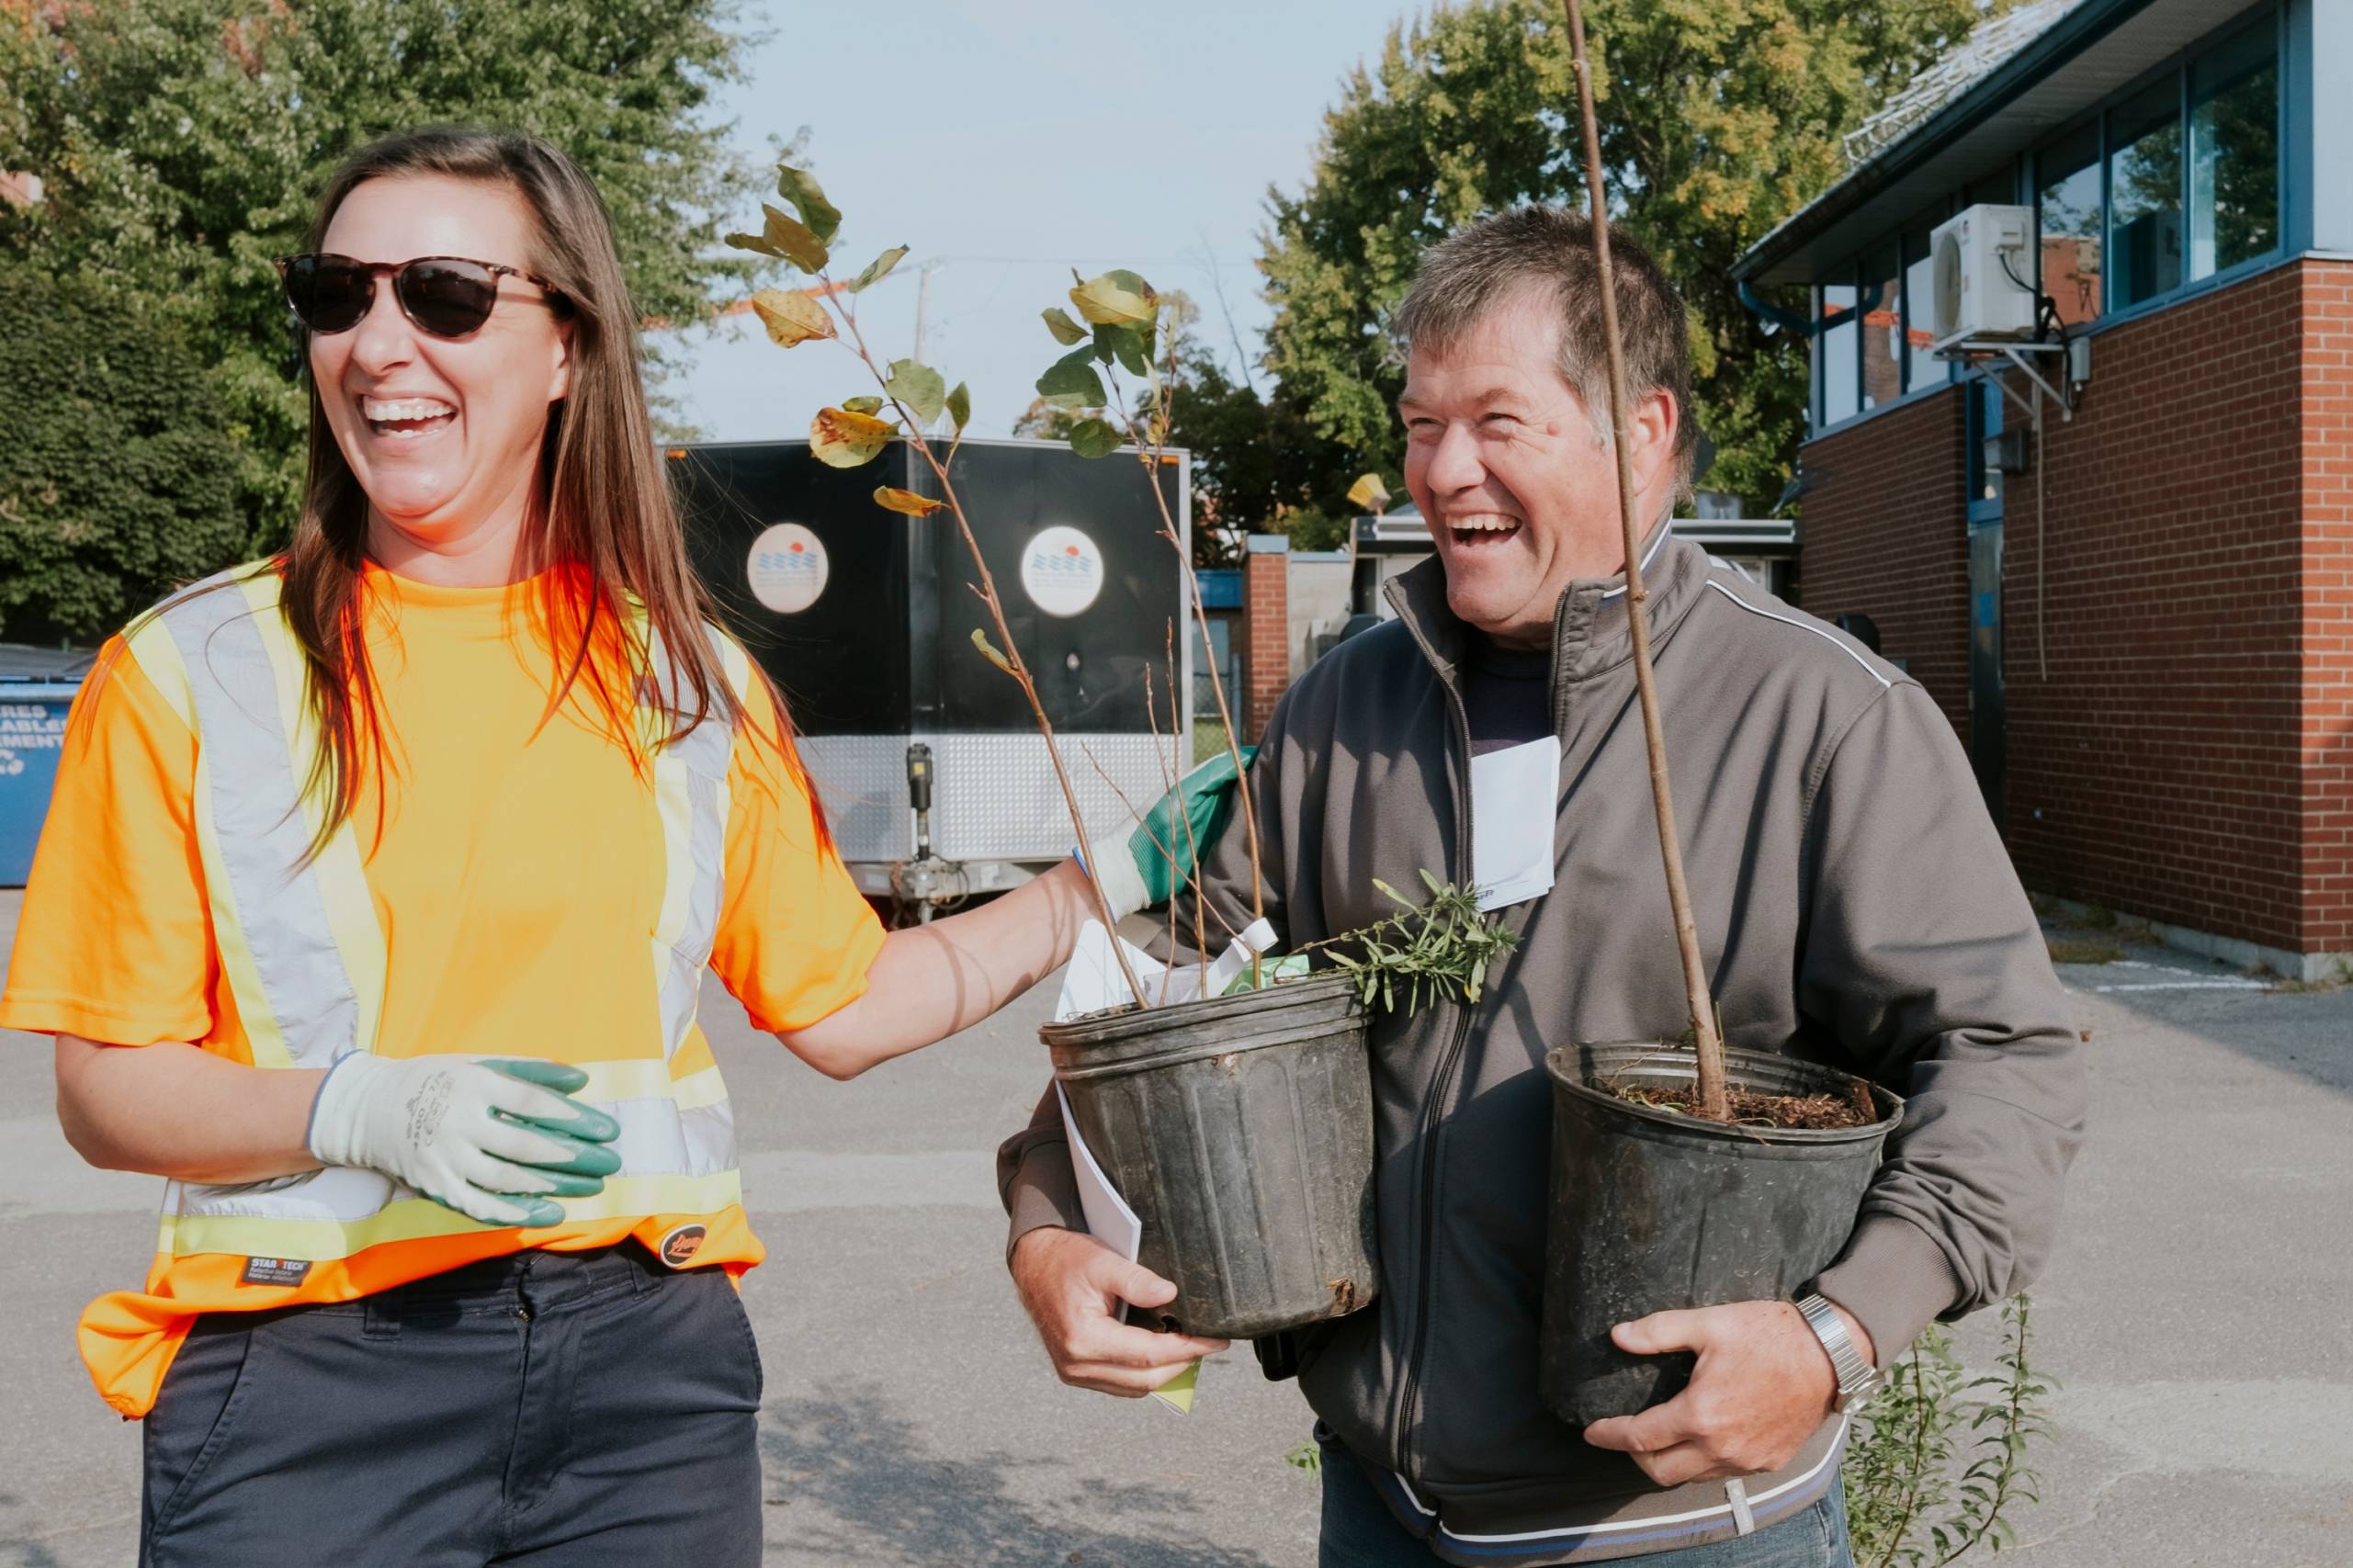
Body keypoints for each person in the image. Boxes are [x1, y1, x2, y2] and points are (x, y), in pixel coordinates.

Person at [0, 126, 1185, 1567]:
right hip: (312, 1392)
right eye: (337, 293)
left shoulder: (686, 684)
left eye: (440, 294)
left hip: (646, 1391)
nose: (379, 343)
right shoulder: (193, 673)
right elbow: (103, 1091)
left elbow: (851, 1004)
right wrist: (355, 1110)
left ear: (567, 345)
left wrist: (1097, 883)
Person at [999, 208, 2087, 1566]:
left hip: (1682, 1529)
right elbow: (1169, 981)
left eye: (1496, 422)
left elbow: (2002, 1053)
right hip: (1385, 1512)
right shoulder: (1347, 705)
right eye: (1418, 424)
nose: (1441, 470)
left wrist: (1836, 1331)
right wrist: (1046, 1227)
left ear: (1638, 435)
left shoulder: (1819, 716)